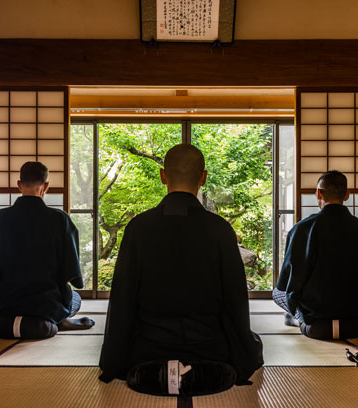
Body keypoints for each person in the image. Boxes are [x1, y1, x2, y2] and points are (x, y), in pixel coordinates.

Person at [99, 144, 263, 396]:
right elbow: (235, 302)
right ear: (204, 177)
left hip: (148, 355)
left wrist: (113, 360)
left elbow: (123, 301)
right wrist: (244, 355)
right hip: (211, 354)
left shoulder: (138, 228)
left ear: (163, 175)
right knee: (254, 342)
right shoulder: (220, 230)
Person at [0, 161, 94, 339]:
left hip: (6, 305)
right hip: (46, 305)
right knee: (76, 298)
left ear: (18, 185)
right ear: (46, 186)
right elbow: (70, 270)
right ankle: (57, 319)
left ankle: (20, 320)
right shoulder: (59, 219)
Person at [273, 170, 358, 340]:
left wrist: (299, 307)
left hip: (316, 324)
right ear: (347, 195)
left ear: (319, 193)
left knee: (277, 292)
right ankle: (299, 318)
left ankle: (297, 319)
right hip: (356, 324)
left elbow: (288, 284)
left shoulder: (302, 229)